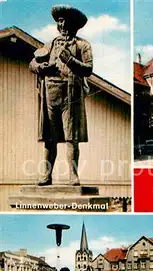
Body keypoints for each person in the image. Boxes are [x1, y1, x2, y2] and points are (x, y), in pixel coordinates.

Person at [29, 5, 93, 186]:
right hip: (50, 94)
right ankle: (46, 176)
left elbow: (88, 69)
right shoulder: (50, 44)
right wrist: (40, 67)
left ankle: (73, 175)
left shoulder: (82, 45)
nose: (62, 25)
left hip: (70, 96)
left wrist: (70, 60)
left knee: (71, 137)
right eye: (59, 22)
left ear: (73, 24)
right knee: (50, 138)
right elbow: (33, 62)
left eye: (65, 21)